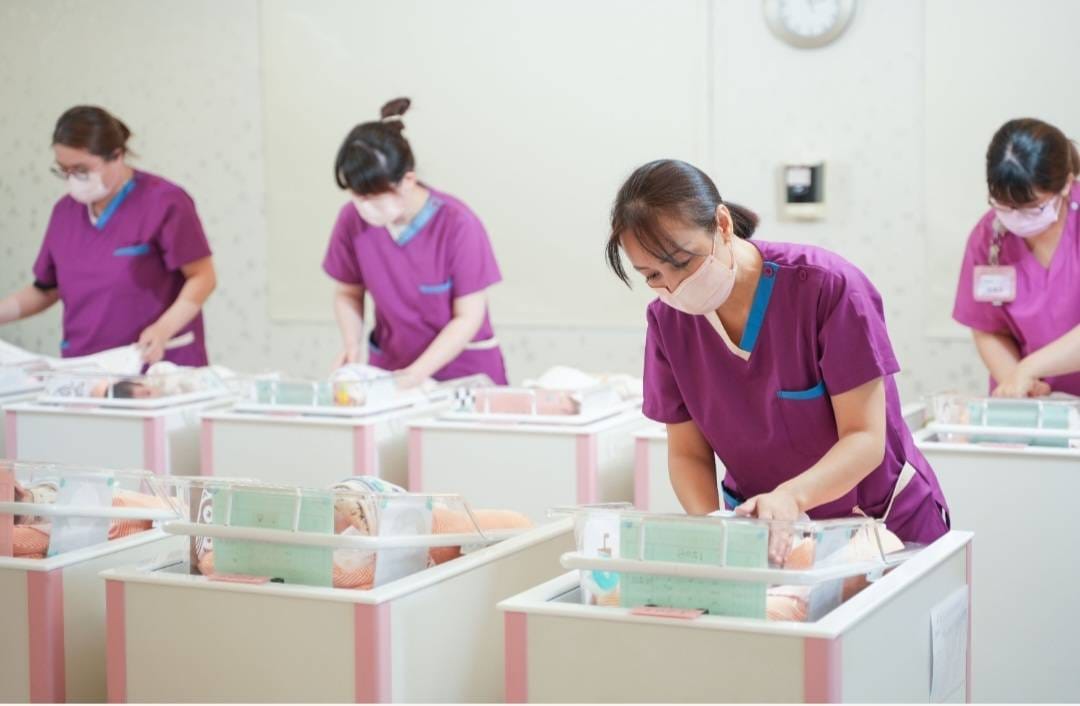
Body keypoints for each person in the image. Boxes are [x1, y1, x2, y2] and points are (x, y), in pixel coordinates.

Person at [606, 159, 948, 544]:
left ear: (722, 224)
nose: (673, 286)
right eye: (652, 275)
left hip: (882, 527)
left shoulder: (828, 289)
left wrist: (791, 498)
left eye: (682, 262)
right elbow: (688, 454)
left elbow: (865, 438)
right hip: (767, 537)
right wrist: (716, 529)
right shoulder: (668, 323)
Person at [0, 106, 216, 366]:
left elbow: (203, 277)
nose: (72, 179)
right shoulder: (64, 213)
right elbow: (46, 290)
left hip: (155, 365)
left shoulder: (165, 202)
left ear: (117, 156)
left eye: (81, 169)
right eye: (64, 170)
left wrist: (163, 329)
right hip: (85, 367)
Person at [322, 98, 508, 387]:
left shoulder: (457, 225)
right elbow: (348, 293)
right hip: (391, 368)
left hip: (462, 375)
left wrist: (414, 375)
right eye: (358, 196)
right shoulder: (352, 221)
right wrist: (352, 344)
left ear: (407, 180)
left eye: (375, 197)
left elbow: (468, 316)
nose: (365, 206)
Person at [952, 118, 1080, 396]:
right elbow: (988, 328)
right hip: (1036, 404)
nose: (1016, 216)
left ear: (1066, 184)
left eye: (1032, 207)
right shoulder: (989, 237)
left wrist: (1029, 368)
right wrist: (1017, 383)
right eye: (1004, 205)